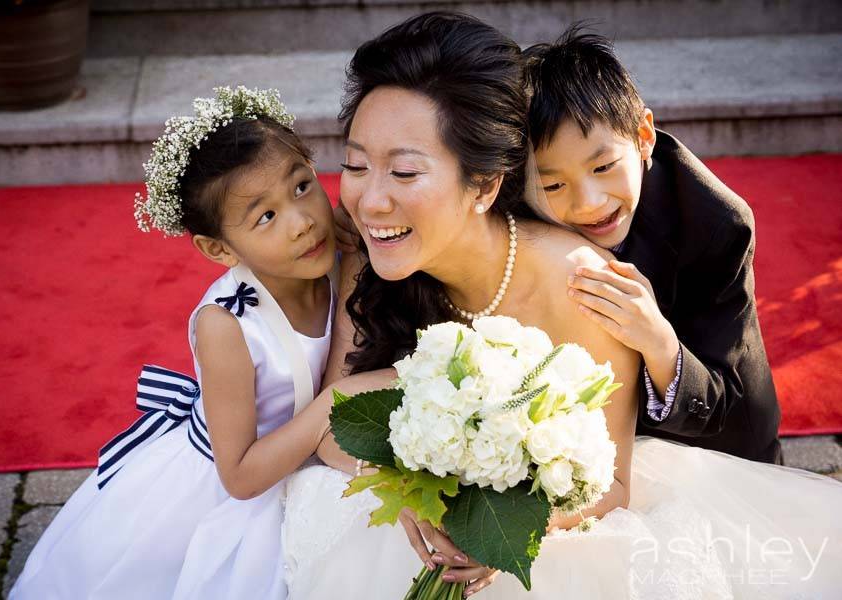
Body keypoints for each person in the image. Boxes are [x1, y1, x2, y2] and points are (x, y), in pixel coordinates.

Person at [281, 12, 842, 599]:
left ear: (487, 184)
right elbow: (331, 419)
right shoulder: (373, 246)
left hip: (699, 437)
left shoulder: (613, 270)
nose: (370, 199)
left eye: (402, 171)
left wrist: (497, 533)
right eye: (353, 165)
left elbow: (610, 483)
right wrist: (404, 487)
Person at [9, 86, 337, 599]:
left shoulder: (340, 249)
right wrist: (335, 404)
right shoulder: (227, 325)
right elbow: (241, 476)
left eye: (300, 186)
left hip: (301, 457)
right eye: (266, 217)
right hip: (231, 486)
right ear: (219, 249)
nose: (302, 222)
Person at [524, 27, 781, 464]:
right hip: (587, 436)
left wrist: (658, 341)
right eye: (553, 183)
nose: (589, 202)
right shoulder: (519, 209)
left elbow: (719, 395)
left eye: (603, 166)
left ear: (644, 136)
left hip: (717, 445)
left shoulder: (716, 223)